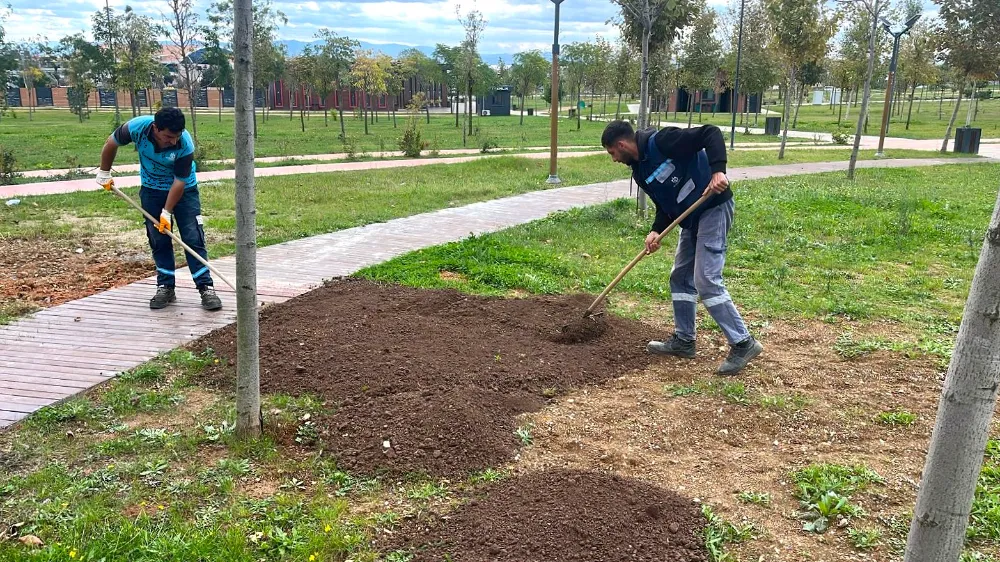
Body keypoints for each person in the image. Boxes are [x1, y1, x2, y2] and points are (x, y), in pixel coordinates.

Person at [601, 119, 761, 375]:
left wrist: (718, 171)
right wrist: (656, 229)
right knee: (680, 278)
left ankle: (743, 342)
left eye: (612, 153)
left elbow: (711, 133)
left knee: (706, 279)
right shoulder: (640, 172)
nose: (614, 159)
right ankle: (684, 341)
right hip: (690, 219)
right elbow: (664, 204)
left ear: (621, 144)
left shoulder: (663, 142)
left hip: (713, 208)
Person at [96, 107, 222, 311]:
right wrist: (104, 172)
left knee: (192, 237)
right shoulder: (135, 128)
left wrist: (166, 212)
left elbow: (180, 182)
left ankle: (206, 287)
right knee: (159, 239)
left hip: (184, 190)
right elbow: (111, 143)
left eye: (176, 136)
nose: (173, 141)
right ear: (155, 128)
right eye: (168, 137)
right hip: (151, 189)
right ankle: (166, 286)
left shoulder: (184, 144)